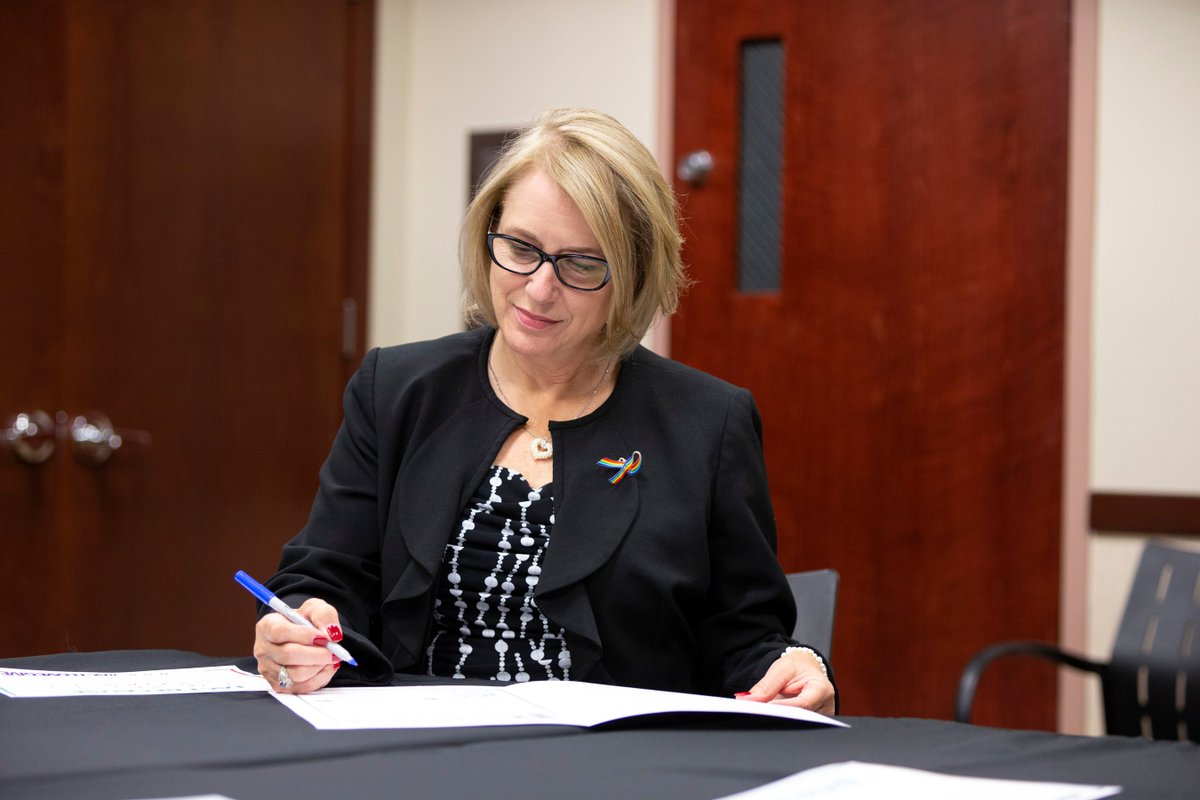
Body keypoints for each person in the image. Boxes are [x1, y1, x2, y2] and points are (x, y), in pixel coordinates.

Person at [252, 108, 837, 715]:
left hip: (617, 763)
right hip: (412, 744)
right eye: (521, 248)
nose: (537, 288)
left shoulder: (708, 423)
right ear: (490, 235)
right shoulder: (397, 388)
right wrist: (304, 627)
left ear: (632, 278)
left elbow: (745, 639)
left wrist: (795, 665)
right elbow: (325, 577)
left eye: (581, 263)